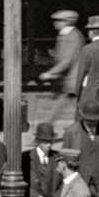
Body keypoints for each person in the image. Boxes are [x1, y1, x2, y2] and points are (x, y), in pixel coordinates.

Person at [40, 9, 85, 137]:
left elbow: (67, 60)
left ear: (68, 22)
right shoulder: (64, 35)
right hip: (67, 80)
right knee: (64, 108)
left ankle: (44, 133)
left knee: (72, 109)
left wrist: (50, 73)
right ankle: (45, 132)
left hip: (73, 80)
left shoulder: (73, 36)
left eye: (59, 20)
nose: (55, 23)